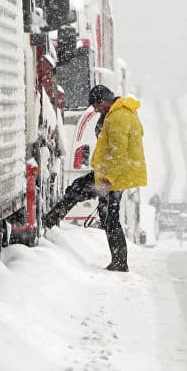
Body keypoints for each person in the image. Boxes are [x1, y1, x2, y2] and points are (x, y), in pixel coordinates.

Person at [44, 84, 147, 272]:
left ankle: (47, 223)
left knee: (80, 192)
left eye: (96, 106)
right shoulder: (117, 113)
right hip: (114, 173)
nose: (95, 110)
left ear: (104, 101)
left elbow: (118, 153)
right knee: (108, 214)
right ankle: (119, 261)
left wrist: (107, 180)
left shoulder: (118, 117)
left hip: (114, 175)